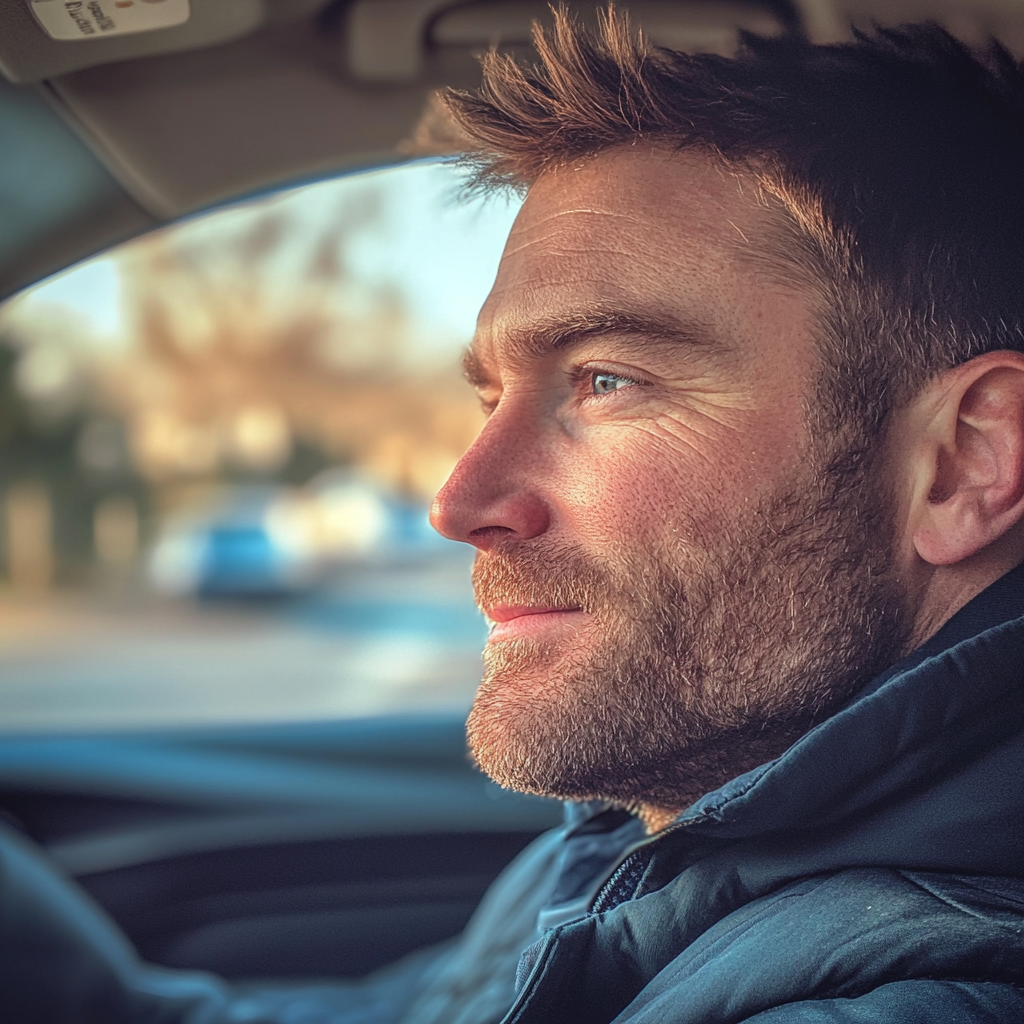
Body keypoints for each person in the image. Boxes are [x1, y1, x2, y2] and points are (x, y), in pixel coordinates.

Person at [5, 7, 1024, 1022]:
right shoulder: (657, 835)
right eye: (491, 395)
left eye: (607, 380)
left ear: (965, 461)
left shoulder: (934, 989)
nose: (460, 503)